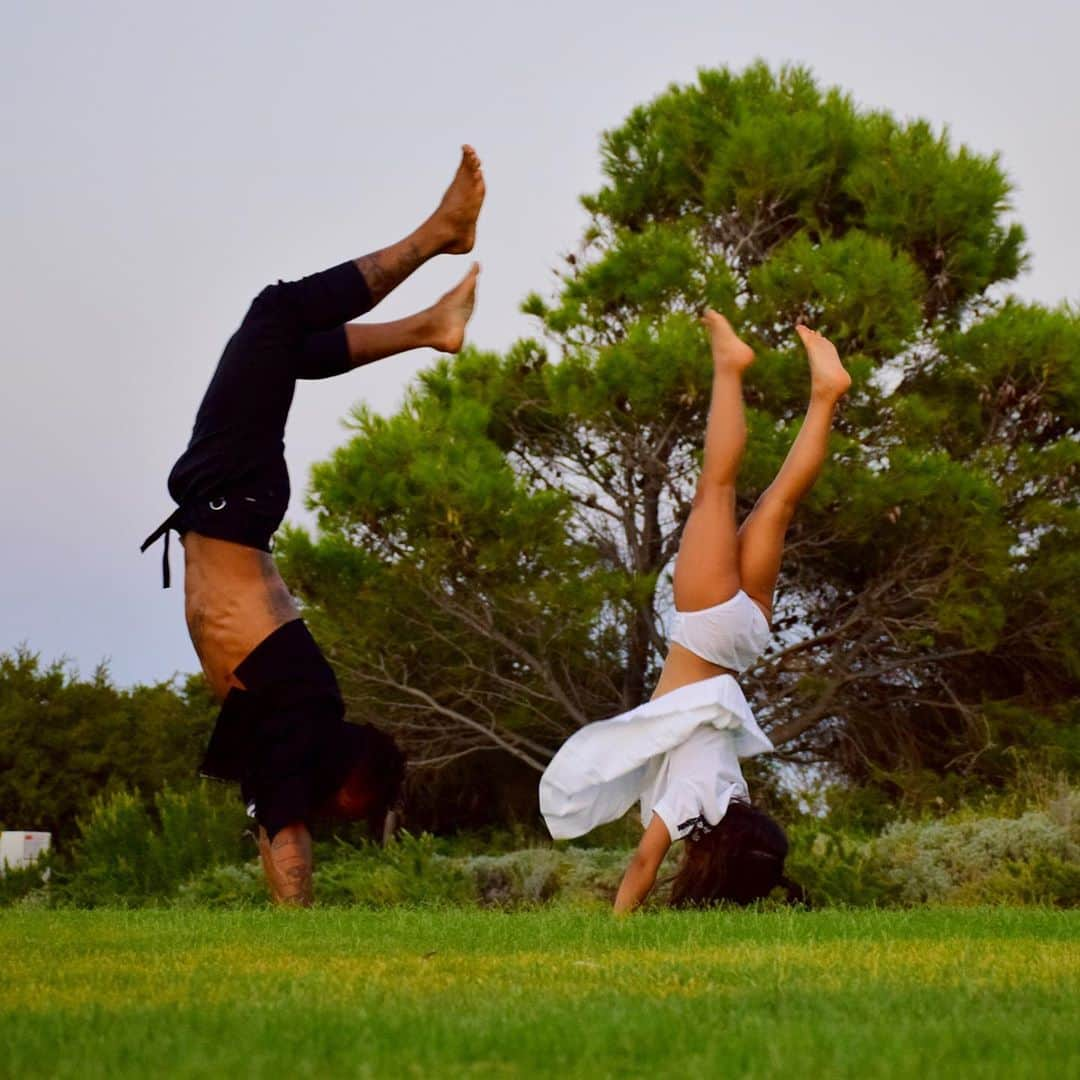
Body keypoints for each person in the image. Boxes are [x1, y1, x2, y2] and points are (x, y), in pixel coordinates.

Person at [141, 147, 486, 905]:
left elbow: (277, 823)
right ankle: (437, 240)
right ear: (349, 781)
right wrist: (299, 923)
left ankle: (430, 321)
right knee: (276, 315)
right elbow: (289, 821)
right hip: (233, 502)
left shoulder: (287, 725)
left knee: (282, 336)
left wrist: (291, 925)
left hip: (227, 502)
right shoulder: (303, 708)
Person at [540, 313, 850, 912]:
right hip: (707, 629)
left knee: (778, 502)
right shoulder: (690, 805)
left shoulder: (733, 793)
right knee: (715, 485)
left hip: (745, 637)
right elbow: (642, 864)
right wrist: (616, 927)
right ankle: (730, 367)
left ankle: (825, 396)